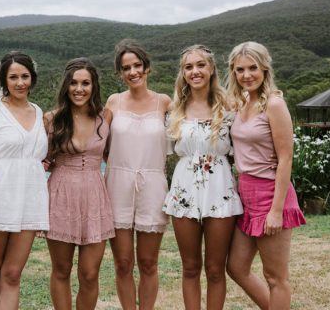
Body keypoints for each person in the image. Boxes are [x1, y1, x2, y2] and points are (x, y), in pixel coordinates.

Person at [226, 41, 306, 310]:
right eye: (240, 70)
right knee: (236, 267)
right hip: (245, 193)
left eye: (253, 68)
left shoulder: (274, 104)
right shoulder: (243, 102)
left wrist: (276, 210)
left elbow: (286, 158)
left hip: (271, 192)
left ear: (265, 69)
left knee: (275, 277)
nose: (247, 75)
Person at [163, 45, 243, 310]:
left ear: (211, 69)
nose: (195, 71)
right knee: (190, 267)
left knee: (215, 268)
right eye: (188, 67)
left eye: (200, 65)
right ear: (183, 72)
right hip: (184, 191)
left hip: (220, 191)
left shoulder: (231, 106)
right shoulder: (174, 109)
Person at [0, 51, 49, 310]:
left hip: (29, 197)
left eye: (25, 76)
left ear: (33, 78)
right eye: (13, 77)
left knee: (13, 272)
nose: (20, 83)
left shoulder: (39, 111)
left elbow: (39, 154)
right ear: (4, 80)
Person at [104, 39, 171, 310]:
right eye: (126, 68)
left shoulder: (164, 102)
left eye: (137, 65)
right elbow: (96, 139)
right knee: (122, 263)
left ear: (147, 68)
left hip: (153, 185)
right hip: (117, 184)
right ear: (120, 73)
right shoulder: (113, 101)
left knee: (147, 262)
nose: (133, 72)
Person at [44, 58, 114, 310]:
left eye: (85, 83)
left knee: (89, 274)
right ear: (66, 85)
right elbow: (43, 160)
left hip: (95, 195)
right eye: (73, 83)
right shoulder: (52, 118)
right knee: (61, 269)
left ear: (94, 86)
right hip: (61, 194)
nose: (79, 89)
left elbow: (113, 155)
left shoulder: (105, 116)